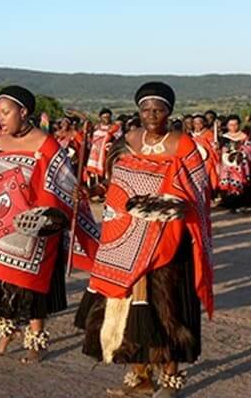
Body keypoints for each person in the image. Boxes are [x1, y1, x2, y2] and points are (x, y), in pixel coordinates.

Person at [75, 82, 213, 398]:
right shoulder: (129, 140)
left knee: (167, 309)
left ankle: (170, 378)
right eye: (146, 110)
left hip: (169, 245)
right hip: (128, 243)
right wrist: (93, 192)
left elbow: (199, 193)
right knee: (134, 309)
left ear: (170, 112)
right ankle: (140, 375)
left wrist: (171, 202)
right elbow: (116, 185)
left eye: (159, 110)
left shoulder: (184, 145)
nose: (151, 116)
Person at [0, 85, 99, 364]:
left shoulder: (47, 145)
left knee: (30, 285)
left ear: (23, 112)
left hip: (33, 228)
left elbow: (64, 185)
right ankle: (6, 331)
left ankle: (36, 338)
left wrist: (74, 194)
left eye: (6, 113)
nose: (0, 119)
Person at [217, 114, 251, 211]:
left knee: (240, 182)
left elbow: (249, 149)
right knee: (226, 182)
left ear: (239, 125)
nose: (233, 127)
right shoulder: (223, 137)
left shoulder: (244, 136)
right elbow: (219, 152)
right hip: (226, 164)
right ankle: (228, 202)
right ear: (227, 126)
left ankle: (240, 202)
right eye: (231, 125)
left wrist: (242, 150)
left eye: (236, 124)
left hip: (240, 164)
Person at [86, 107, 121, 191]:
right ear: (100, 118)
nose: (106, 119)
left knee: (106, 171)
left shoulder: (114, 128)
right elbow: (90, 138)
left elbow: (119, 139)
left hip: (106, 153)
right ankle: (93, 189)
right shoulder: (96, 127)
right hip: (94, 154)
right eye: (104, 117)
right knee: (93, 173)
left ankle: (104, 189)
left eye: (108, 117)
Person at [191, 114, 219, 193]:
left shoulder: (209, 134)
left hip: (207, 159)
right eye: (195, 123)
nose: (198, 125)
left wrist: (215, 147)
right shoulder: (191, 135)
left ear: (204, 123)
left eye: (200, 123)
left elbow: (213, 147)